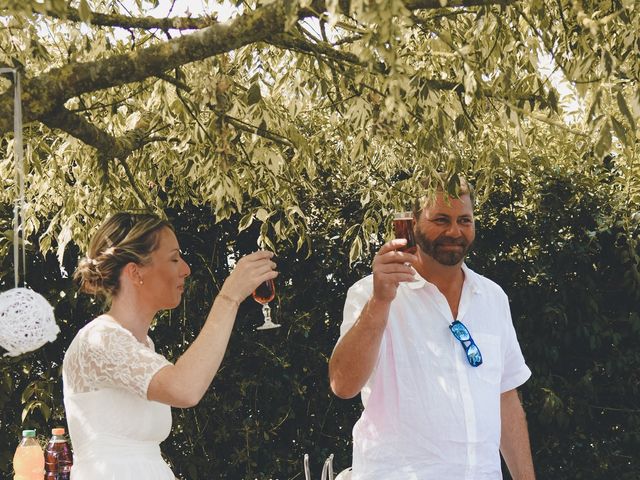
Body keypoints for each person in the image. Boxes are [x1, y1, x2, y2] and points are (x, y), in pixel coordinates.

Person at [329, 178, 536, 479]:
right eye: (441, 219)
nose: (454, 231)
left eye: (464, 220)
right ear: (413, 223)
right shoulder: (369, 295)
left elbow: (505, 398)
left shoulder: (492, 298)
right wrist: (381, 301)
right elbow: (343, 385)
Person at [62, 212, 277, 479]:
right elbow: (185, 389)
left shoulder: (142, 345)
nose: (186, 269)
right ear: (135, 272)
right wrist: (229, 297)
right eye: (174, 258)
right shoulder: (99, 340)